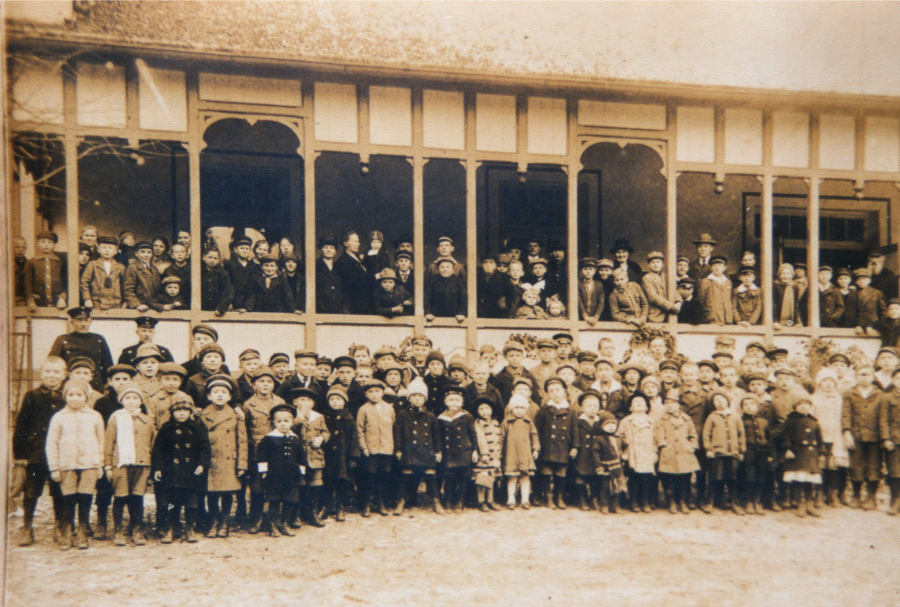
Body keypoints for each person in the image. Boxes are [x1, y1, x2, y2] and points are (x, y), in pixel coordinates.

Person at [12, 356, 67, 546]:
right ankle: (27, 527)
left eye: (56, 372)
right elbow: (21, 426)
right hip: (36, 452)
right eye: (48, 372)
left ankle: (59, 527)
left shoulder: (67, 396)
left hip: (60, 453)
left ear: (64, 375)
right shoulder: (32, 396)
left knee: (58, 490)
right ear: (41, 373)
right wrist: (20, 455)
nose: (52, 376)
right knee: (31, 490)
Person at [45, 380, 105, 550]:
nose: (75, 398)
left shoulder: (95, 416)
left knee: (85, 498)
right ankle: (67, 531)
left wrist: (99, 464)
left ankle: (83, 531)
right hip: (67, 464)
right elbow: (52, 444)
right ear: (65, 397)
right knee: (68, 499)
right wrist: (54, 468)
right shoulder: (59, 417)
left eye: (79, 395)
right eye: (71, 395)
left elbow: (101, 441)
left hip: (89, 464)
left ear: (86, 397)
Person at [103, 383, 156, 546]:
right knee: (120, 497)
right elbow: (108, 443)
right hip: (121, 464)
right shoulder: (116, 419)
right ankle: (118, 530)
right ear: (122, 400)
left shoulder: (147, 421)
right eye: (127, 398)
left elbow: (153, 444)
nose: (131, 401)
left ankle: (137, 530)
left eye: (135, 398)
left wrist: (151, 466)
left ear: (141, 401)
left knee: (137, 498)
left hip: (142, 465)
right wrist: (107, 466)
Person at [151, 399, 210, 544]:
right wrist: (158, 468)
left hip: (191, 472)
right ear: (172, 413)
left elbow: (205, 448)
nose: (182, 413)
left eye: (185, 410)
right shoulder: (166, 428)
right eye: (178, 411)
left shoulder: (196, 427)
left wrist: (202, 464)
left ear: (190, 412)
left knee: (191, 501)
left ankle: (190, 528)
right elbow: (158, 450)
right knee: (171, 502)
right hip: (171, 472)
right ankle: (172, 528)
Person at [201, 374, 248, 538]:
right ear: (209, 396)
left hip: (229, 459)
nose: (219, 395)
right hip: (211, 459)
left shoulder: (236, 415)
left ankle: (225, 521)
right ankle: (214, 520)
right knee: (211, 494)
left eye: (223, 392)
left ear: (229, 396)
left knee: (228, 493)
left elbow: (242, 441)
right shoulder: (202, 414)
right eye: (215, 391)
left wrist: (242, 464)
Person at [242, 366, 285, 533]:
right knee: (257, 487)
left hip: (277, 451)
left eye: (269, 381)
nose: (265, 385)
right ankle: (257, 519)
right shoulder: (248, 404)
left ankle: (274, 520)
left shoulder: (280, 402)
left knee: (276, 486)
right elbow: (244, 431)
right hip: (257, 452)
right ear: (253, 384)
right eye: (261, 381)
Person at [392, 378, 443, 516]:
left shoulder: (430, 416)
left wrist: (438, 451)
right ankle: (401, 502)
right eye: (414, 396)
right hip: (409, 451)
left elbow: (436, 435)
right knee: (406, 477)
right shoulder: (402, 415)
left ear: (425, 398)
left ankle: (436, 501)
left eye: (420, 396)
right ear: (409, 398)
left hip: (427, 451)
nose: (417, 399)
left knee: (430, 477)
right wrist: (398, 449)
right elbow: (397, 433)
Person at [256, 403, 305, 537]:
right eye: (279, 421)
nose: (282, 424)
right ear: (274, 422)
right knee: (274, 500)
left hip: (291, 476)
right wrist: (264, 472)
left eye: (286, 421)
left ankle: (283, 524)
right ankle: (272, 526)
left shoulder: (295, 439)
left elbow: (301, 456)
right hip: (274, 476)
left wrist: (301, 471)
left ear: (292, 422)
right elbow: (262, 456)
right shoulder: (269, 439)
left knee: (289, 500)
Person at [842, 363, 883, 510]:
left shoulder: (879, 394)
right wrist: (847, 432)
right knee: (856, 466)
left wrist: (883, 437)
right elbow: (846, 414)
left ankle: (871, 497)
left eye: (868, 374)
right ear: (856, 377)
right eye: (861, 374)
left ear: (873, 377)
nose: (864, 378)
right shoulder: (849, 393)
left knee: (874, 466)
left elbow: (882, 416)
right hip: (856, 436)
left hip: (875, 437)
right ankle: (856, 495)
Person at [533, 377, 577, 509]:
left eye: (558, 390)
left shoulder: (571, 411)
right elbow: (537, 429)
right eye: (551, 391)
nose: (555, 393)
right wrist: (536, 445)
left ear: (564, 392)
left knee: (561, 473)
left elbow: (574, 430)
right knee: (546, 473)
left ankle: (559, 497)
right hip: (547, 447)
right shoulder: (544, 410)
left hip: (563, 447)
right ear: (547, 394)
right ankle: (548, 498)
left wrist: (575, 446)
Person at [655, 389, 700, 514]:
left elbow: (693, 435)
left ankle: (682, 501)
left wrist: (692, 446)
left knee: (684, 479)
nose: (670, 406)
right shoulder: (662, 420)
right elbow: (659, 435)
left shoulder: (686, 419)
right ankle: (671, 502)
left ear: (679, 405)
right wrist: (662, 445)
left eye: (673, 403)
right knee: (668, 479)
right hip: (668, 452)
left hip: (684, 452)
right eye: (667, 403)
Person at [435, 385, 478, 513]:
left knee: (463, 478)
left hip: (464, 451)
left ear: (462, 402)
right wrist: (439, 451)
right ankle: (448, 501)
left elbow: (473, 434)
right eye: (451, 400)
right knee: (449, 478)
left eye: (457, 400)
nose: (454, 403)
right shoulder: (441, 418)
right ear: (446, 402)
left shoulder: (467, 416)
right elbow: (438, 437)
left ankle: (460, 501)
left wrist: (475, 450)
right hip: (449, 452)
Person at [356, 379, 396, 517]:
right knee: (370, 477)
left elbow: (393, 427)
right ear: (366, 394)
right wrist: (364, 447)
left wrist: (392, 447)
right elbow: (359, 430)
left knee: (384, 477)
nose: (374, 394)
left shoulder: (389, 408)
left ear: (383, 392)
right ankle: (366, 504)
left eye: (377, 391)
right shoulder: (363, 409)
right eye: (370, 392)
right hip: (371, 449)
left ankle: (381, 503)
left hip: (386, 449)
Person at [49, 307, 114, 391]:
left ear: (90, 321)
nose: (83, 324)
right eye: (79, 320)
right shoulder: (63, 340)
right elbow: (53, 365)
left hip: (95, 387)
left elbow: (108, 366)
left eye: (86, 320)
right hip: (70, 387)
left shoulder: (99, 339)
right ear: (72, 322)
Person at [779, 397, 825, 517]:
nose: (803, 406)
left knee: (809, 480)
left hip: (810, 455)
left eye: (806, 404)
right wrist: (788, 449)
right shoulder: (790, 420)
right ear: (795, 407)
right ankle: (800, 504)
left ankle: (809, 504)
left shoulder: (813, 421)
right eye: (800, 404)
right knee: (798, 480)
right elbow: (785, 436)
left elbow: (819, 438)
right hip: (797, 454)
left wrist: (821, 452)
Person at [291, 386, 330, 528]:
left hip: (315, 456)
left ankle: (312, 513)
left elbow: (326, 432)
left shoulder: (318, 417)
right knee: (299, 485)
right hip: (298, 457)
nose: (305, 403)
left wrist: (321, 438)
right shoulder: (290, 416)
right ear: (294, 401)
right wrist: (298, 420)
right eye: (302, 399)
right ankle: (296, 515)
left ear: (313, 403)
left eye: (309, 400)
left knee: (315, 485)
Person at [811, 368, 850, 508]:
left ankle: (833, 495)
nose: (828, 384)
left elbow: (842, 417)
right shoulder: (813, 399)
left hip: (835, 437)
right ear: (819, 383)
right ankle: (819, 494)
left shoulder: (839, 399)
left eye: (831, 381)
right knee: (819, 465)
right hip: (819, 437)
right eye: (824, 381)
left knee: (833, 466)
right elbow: (811, 418)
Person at [322, 386, 361, 521]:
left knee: (341, 482)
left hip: (342, 457)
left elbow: (355, 439)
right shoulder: (325, 417)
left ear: (344, 401)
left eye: (338, 399)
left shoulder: (349, 419)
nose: (335, 402)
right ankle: (327, 506)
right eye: (332, 399)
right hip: (328, 456)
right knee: (327, 481)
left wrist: (353, 457)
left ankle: (340, 507)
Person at [703, 390, 746, 514]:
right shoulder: (712, 416)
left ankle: (734, 503)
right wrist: (709, 449)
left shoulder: (735, 416)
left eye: (722, 399)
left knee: (732, 478)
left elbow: (741, 434)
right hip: (717, 453)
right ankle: (709, 502)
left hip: (733, 453)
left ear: (728, 401)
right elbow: (706, 434)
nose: (720, 402)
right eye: (716, 401)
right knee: (714, 477)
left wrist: (741, 451)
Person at [616, 393, 658, 513]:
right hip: (632, 452)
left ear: (646, 407)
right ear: (630, 408)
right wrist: (623, 452)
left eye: (642, 402)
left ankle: (644, 501)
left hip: (647, 452)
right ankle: (633, 501)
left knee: (646, 478)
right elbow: (619, 437)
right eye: (635, 402)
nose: (639, 403)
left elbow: (656, 438)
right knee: (633, 477)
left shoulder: (651, 421)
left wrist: (655, 452)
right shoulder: (626, 421)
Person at [500, 394, 540, 509]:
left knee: (525, 477)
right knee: (512, 477)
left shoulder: (529, 422)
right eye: (516, 408)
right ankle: (511, 499)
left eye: (522, 408)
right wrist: (499, 451)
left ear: (526, 409)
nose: (519, 411)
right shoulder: (506, 422)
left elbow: (534, 436)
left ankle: (525, 500)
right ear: (511, 408)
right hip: (511, 454)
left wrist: (535, 449)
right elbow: (501, 437)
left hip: (525, 454)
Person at [738, 395, 773, 515]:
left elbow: (769, 438)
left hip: (762, 451)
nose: (749, 407)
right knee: (749, 476)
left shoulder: (764, 421)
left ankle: (757, 501)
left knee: (761, 475)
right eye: (745, 405)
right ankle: (748, 501)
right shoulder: (741, 421)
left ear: (757, 406)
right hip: (748, 451)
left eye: (752, 404)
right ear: (742, 408)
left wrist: (770, 453)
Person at [571, 391, 603, 510]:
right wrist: (575, 448)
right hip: (582, 454)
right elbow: (574, 435)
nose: (592, 409)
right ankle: (582, 499)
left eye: (595, 406)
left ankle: (594, 498)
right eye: (589, 406)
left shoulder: (600, 422)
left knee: (595, 477)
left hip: (595, 455)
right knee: (581, 476)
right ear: (583, 408)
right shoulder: (578, 421)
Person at [24, 231, 67, 309]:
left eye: (50, 242)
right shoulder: (32, 262)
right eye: (43, 242)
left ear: (54, 245)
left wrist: (63, 298)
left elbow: (66, 281)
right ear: (38, 244)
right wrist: (31, 301)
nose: (46, 245)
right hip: (38, 303)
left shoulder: (60, 262)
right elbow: (27, 282)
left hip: (58, 302)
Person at [473, 397, 502, 511]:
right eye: (481, 409)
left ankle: (490, 500)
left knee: (491, 477)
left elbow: (498, 438)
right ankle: (481, 501)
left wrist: (498, 453)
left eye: (487, 408)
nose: (484, 411)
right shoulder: (478, 423)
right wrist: (485, 453)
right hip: (484, 456)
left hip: (494, 456)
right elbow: (480, 439)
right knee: (482, 478)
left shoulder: (495, 423)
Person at [81, 235, 126, 310]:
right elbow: (84, 282)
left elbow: (126, 285)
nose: (107, 250)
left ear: (115, 251)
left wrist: (125, 301)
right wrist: (87, 299)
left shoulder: (120, 267)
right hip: (97, 305)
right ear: (98, 250)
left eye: (110, 248)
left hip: (116, 305)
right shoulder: (93, 264)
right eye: (104, 247)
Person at [335, 230, 374, 315]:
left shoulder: (358, 258)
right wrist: (374, 277)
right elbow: (354, 282)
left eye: (358, 241)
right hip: (354, 304)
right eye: (355, 241)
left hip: (365, 303)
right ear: (345, 243)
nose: (359, 244)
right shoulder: (343, 261)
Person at [846, 267, 887, 336]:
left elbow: (883, 310)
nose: (861, 281)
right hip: (858, 326)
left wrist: (881, 325)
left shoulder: (876, 293)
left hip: (874, 325)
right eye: (859, 279)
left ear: (869, 281)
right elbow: (851, 312)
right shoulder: (853, 294)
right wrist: (856, 325)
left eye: (864, 279)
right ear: (856, 282)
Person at [123, 241, 162, 311]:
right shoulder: (133, 268)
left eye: (149, 252)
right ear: (136, 254)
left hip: (152, 306)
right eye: (142, 252)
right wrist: (137, 305)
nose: (146, 255)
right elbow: (128, 290)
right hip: (138, 308)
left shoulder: (154, 269)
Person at [425, 257, 467, 322]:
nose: (445, 269)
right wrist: (428, 312)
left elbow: (463, 297)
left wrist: (461, 313)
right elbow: (427, 296)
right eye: (442, 267)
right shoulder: (433, 280)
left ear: (452, 269)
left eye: (448, 267)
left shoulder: (457, 280)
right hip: (435, 315)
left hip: (454, 316)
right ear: (438, 269)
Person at [642, 251, 680, 323]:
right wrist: (671, 306)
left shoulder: (667, 276)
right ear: (648, 265)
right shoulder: (646, 278)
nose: (655, 265)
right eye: (653, 262)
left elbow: (676, 290)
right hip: (655, 315)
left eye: (658, 262)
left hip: (670, 315)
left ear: (662, 264)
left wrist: (678, 302)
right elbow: (653, 297)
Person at [225, 236, 257, 313]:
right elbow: (227, 285)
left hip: (248, 305)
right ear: (236, 250)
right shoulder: (230, 264)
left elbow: (253, 289)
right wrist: (228, 302)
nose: (244, 251)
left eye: (247, 249)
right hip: (233, 303)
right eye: (242, 248)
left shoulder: (253, 267)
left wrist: (248, 307)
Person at [699, 255, 734, 325]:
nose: (717, 268)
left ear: (724, 268)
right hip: (712, 317)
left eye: (719, 265)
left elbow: (730, 299)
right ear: (711, 268)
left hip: (727, 318)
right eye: (714, 265)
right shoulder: (706, 281)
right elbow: (701, 300)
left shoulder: (728, 282)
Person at [200, 247, 234, 317]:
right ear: (204, 258)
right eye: (210, 257)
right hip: (201, 309)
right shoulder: (199, 272)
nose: (212, 260)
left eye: (215, 258)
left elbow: (227, 292)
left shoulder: (223, 274)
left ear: (219, 259)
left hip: (216, 310)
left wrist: (220, 308)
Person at [316, 235, 344, 314]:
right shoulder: (316, 265)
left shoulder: (339, 266)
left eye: (331, 248)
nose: (328, 250)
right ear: (321, 250)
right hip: (320, 308)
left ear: (335, 251)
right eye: (325, 247)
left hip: (337, 308)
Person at [772, 263, 803, 329]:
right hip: (777, 320)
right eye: (783, 273)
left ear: (792, 275)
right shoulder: (775, 286)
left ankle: (790, 324)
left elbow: (795, 305)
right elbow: (773, 304)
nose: (785, 276)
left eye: (788, 274)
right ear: (779, 275)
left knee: (788, 329)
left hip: (790, 319)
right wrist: (775, 321)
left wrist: (797, 322)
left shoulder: (794, 286)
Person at [577, 258, 604, 325]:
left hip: (595, 319)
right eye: (585, 269)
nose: (588, 271)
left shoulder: (598, 285)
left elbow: (601, 302)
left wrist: (596, 317)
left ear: (595, 271)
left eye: (590, 269)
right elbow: (578, 300)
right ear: (581, 271)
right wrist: (585, 316)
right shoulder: (578, 284)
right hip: (581, 318)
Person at [164, 242, 191, 307]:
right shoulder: (168, 270)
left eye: (182, 252)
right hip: (174, 302)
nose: (179, 254)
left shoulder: (192, 269)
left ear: (187, 255)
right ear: (172, 255)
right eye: (176, 252)